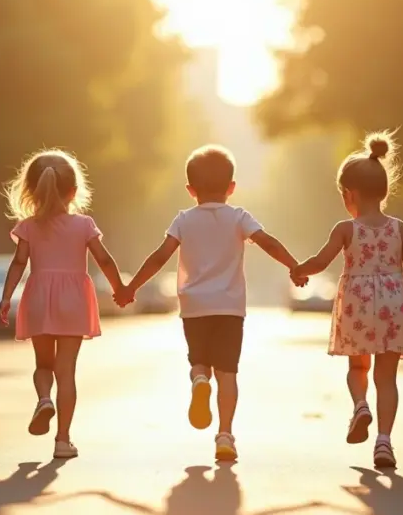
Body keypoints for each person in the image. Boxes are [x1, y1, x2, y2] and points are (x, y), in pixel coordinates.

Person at [114, 145, 306, 462]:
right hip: (230, 308)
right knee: (228, 372)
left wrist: (130, 287)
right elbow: (267, 242)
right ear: (231, 188)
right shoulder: (239, 217)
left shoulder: (184, 220)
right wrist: (294, 267)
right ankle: (225, 435)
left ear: (191, 190)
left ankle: (199, 380)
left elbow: (160, 257)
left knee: (198, 361)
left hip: (194, 307)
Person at [291, 131, 403, 470]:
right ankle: (384, 441)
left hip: (357, 303)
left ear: (349, 194)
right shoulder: (400, 229)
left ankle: (360, 407)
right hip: (394, 304)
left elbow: (321, 261)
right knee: (387, 376)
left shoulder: (345, 229)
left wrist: (299, 270)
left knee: (358, 367)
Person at [0, 149, 124, 460]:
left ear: (31, 190)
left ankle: (44, 399)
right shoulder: (84, 225)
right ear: (74, 191)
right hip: (73, 300)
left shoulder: (28, 226)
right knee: (66, 372)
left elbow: (18, 264)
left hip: (40, 296)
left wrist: (5, 297)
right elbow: (104, 259)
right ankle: (63, 441)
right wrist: (120, 288)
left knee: (44, 365)